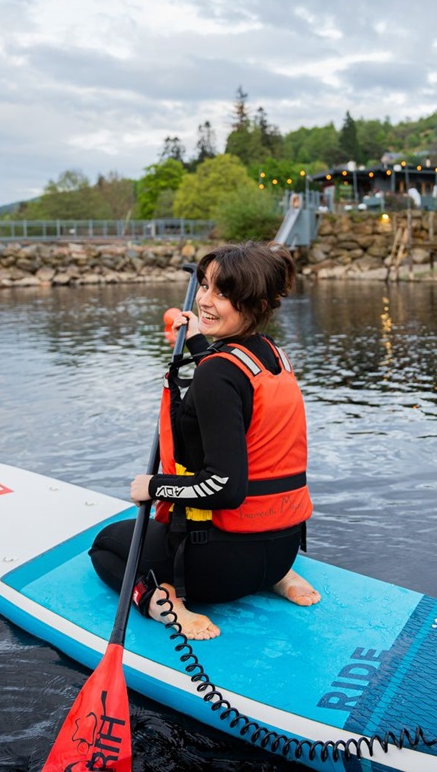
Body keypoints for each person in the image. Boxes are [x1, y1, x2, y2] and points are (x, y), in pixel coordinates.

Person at [89, 242, 320, 641]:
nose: (205, 300)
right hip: (281, 550)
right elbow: (230, 385)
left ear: (255, 302)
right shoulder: (273, 355)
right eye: (205, 285)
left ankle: (163, 605)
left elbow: (226, 488)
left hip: (222, 570)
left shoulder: (216, 374)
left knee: (106, 545)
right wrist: (198, 341)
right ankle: (279, 579)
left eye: (223, 293)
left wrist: (153, 486)